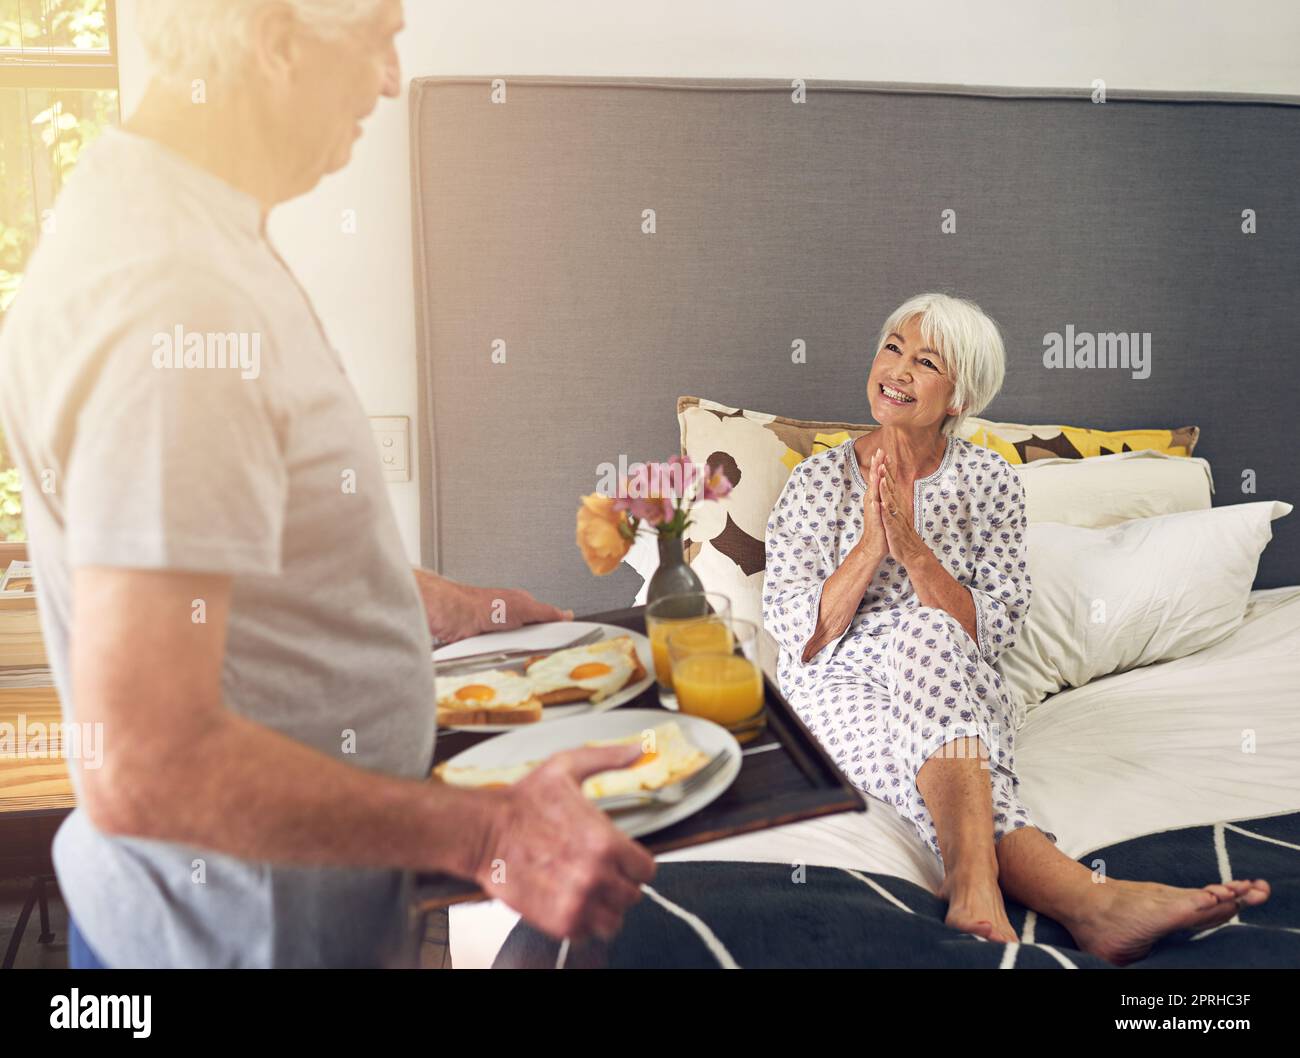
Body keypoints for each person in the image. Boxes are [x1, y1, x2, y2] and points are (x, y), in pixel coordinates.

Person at [0, 0, 653, 968]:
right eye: (378, 36)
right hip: (230, 942)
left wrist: (441, 605)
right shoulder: (174, 296)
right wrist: (483, 833)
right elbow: (145, 763)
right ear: (274, 39)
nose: (390, 78)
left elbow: (247, 559)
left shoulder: (181, 224)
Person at [762, 291, 1269, 964]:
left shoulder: (991, 481)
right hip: (840, 678)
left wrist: (915, 553)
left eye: (926, 362)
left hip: (951, 674)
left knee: (930, 631)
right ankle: (1087, 901)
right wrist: (871, 545)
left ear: (959, 399)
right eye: (893, 348)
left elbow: (994, 626)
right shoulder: (816, 483)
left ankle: (981, 885)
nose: (898, 370)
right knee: (940, 729)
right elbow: (800, 631)